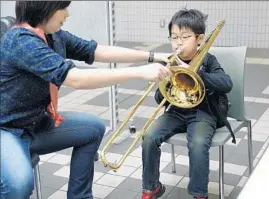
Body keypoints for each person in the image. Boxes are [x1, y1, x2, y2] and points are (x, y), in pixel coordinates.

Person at [0, 1, 172, 199]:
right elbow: (76, 79)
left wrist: (154, 56)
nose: (67, 14)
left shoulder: (53, 36)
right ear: (45, 8)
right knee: (19, 184)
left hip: (35, 124)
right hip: (7, 130)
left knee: (93, 128)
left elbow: (96, 51)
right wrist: (140, 72)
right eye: (63, 8)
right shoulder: (21, 40)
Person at [141, 8, 233, 199]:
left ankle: (199, 194)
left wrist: (198, 74)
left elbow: (226, 83)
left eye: (185, 37)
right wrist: (162, 82)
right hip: (176, 112)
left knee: (198, 143)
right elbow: (160, 99)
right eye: (174, 37)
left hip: (203, 113)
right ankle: (151, 188)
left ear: (199, 39)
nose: (178, 42)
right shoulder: (171, 63)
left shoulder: (208, 60)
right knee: (149, 136)